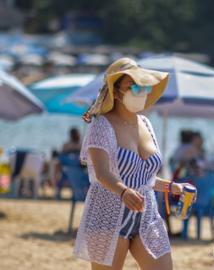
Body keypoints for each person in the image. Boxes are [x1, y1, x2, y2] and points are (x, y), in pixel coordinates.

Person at [74, 58, 188, 270]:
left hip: (147, 217)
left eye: (144, 86)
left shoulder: (146, 123)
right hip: (107, 215)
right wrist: (124, 192)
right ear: (116, 92)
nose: (141, 91)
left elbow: (144, 179)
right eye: (134, 86)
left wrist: (172, 187)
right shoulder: (101, 125)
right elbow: (102, 173)